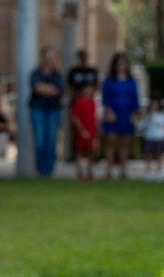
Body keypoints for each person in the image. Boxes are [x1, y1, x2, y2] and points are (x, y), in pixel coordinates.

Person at [101, 52, 139, 179]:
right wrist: (109, 112)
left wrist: (134, 114)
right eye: (119, 64)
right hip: (112, 115)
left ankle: (123, 170)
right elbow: (105, 98)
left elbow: (135, 99)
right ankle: (109, 170)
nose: (121, 66)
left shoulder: (131, 81)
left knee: (124, 143)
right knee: (110, 142)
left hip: (126, 114)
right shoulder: (109, 80)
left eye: (123, 64)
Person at [28, 46, 64, 177]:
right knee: (40, 141)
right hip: (38, 109)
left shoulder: (57, 75)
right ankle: (40, 170)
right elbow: (37, 88)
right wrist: (50, 89)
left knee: (51, 140)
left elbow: (58, 91)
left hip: (53, 110)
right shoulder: (36, 73)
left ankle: (49, 171)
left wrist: (45, 88)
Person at [70, 81, 97, 180]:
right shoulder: (79, 101)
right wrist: (82, 130)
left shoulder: (92, 101)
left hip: (91, 130)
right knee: (80, 151)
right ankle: (80, 172)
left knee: (91, 151)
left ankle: (90, 172)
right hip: (82, 130)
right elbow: (75, 116)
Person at [139, 91, 164, 181]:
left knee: (159, 156)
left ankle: (158, 173)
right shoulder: (148, 114)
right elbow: (142, 125)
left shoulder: (163, 113)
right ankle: (148, 173)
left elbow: (163, 123)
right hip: (149, 137)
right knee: (149, 156)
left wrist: (154, 117)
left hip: (159, 137)